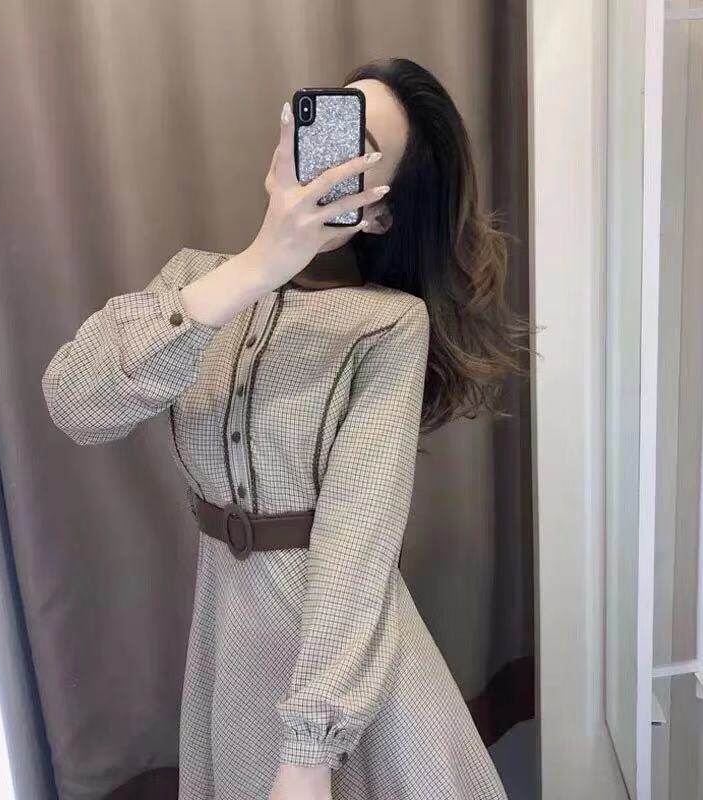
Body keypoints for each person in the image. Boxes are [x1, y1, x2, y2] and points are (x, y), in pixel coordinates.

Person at [42, 57, 525, 800]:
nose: (314, 148)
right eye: (316, 119)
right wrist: (258, 265)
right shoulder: (194, 283)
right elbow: (75, 403)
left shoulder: (388, 324)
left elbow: (359, 538)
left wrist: (308, 753)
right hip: (228, 636)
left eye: (355, 147)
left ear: (379, 212)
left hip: (341, 652)